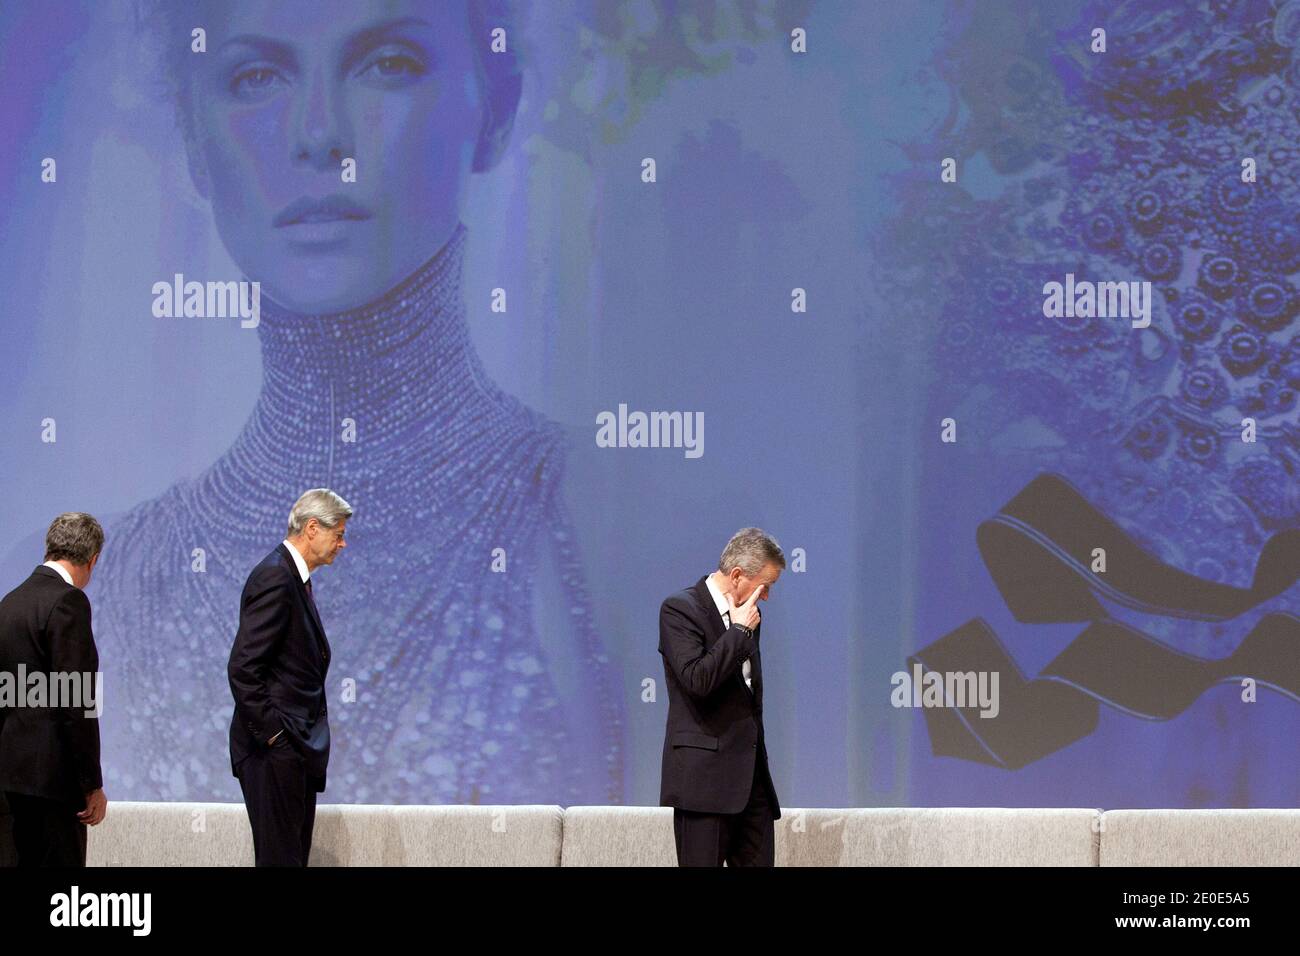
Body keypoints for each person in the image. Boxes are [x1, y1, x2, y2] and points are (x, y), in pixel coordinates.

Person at [52, 0, 624, 806]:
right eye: (256, 76)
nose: (320, 135)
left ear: (495, 107)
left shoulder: (600, 524)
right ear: (194, 143)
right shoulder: (115, 585)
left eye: (387, 63)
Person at [229, 489, 350, 867]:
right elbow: (244, 668)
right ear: (312, 527)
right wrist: (276, 737)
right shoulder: (276, 578)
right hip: (273, 753)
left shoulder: (293, 579)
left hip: (291, 751)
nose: (342, 544)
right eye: (339, 534)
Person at [658, 527, 784, 867]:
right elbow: (698, 680)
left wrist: (744, 628)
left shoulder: (750, 615)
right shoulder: (679, 610)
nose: (767, 597)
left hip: (752, 787)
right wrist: (739, 632)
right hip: (703, 785)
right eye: (766, 586)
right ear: (739, 575)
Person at [0, 513, 108, 867]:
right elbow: (76, 700)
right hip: (52, 787)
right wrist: (91, 784)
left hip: (8, 783)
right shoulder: (68, 602)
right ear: (92, 560)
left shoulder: (9, 603)